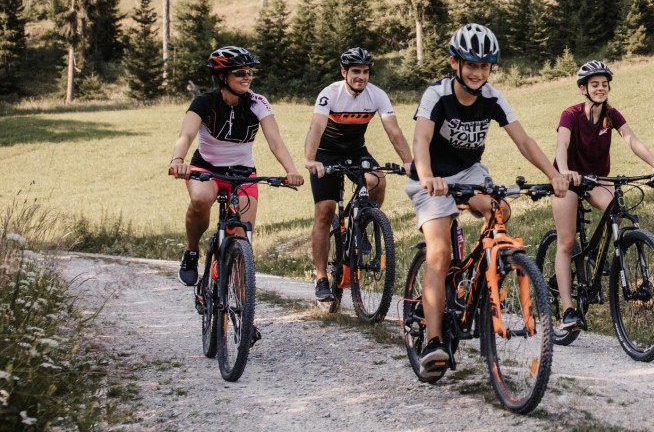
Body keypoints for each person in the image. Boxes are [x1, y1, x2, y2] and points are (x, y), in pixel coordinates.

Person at [407, 23, 574, 378]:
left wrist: (552, 173)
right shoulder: (436, 95)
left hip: (469, 173)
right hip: (432, 177)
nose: (477, 72)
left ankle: (483, 278)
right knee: (439, 252)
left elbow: (524, 140)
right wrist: (426, 177)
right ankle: (434, 341)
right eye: (470, 64)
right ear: (455, 63)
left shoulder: (493, 98)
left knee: (500, 209)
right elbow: (421, 140)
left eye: (484, 66)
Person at [551, 60, 654, 333]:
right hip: (567, 179)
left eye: (604, 85)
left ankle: (597, 256)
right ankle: (568, 309)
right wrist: (566, 171)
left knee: (615, 209)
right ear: (583, 88)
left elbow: (632, 141)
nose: (600, 88)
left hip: (595, 178)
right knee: (567, 241)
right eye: (594, 84)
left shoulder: (611, 114)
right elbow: (562, 144)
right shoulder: (570, 115)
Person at [168, 46, 304, 286]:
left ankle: (245, 318)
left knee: (243, 242)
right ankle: (191, 252)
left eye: (249, 72)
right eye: (240, 73)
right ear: (223, 77)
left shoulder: (257, 103)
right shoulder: (204, 102)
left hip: (242, 173)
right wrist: (178, 161)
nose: (247, 77)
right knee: (200, 200)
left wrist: (291, 170)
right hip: (206, 169)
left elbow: (275, 141)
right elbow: (186, 135)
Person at [303, 47, 413, 302]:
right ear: (344, 72)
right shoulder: (330, 94)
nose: (361, 77)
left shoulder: (377, 95)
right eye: (355, 72)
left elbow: (394, 132)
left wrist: (409, 162)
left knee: (377, 181)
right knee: (325, 211)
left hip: (355, 151)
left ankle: (362, 221)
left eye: (365, 72)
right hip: (326, 153)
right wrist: (310, 160)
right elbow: (316, 128)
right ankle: (321, 278)